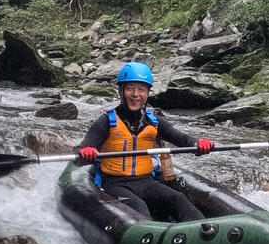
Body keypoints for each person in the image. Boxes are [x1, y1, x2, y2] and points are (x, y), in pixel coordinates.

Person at [76, 62, 215, 223]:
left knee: (178, 198)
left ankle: (204, 232)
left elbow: (180, 138)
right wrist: (85, 153)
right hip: (114, 183)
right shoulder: (106, 121)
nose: (135, 94)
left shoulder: (153, 121)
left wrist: (198, 144)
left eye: (141, 89)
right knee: (138, 206)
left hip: (145, 181)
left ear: (147, 93)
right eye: (130, 88)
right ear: (121, 91)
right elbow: (82, 150)